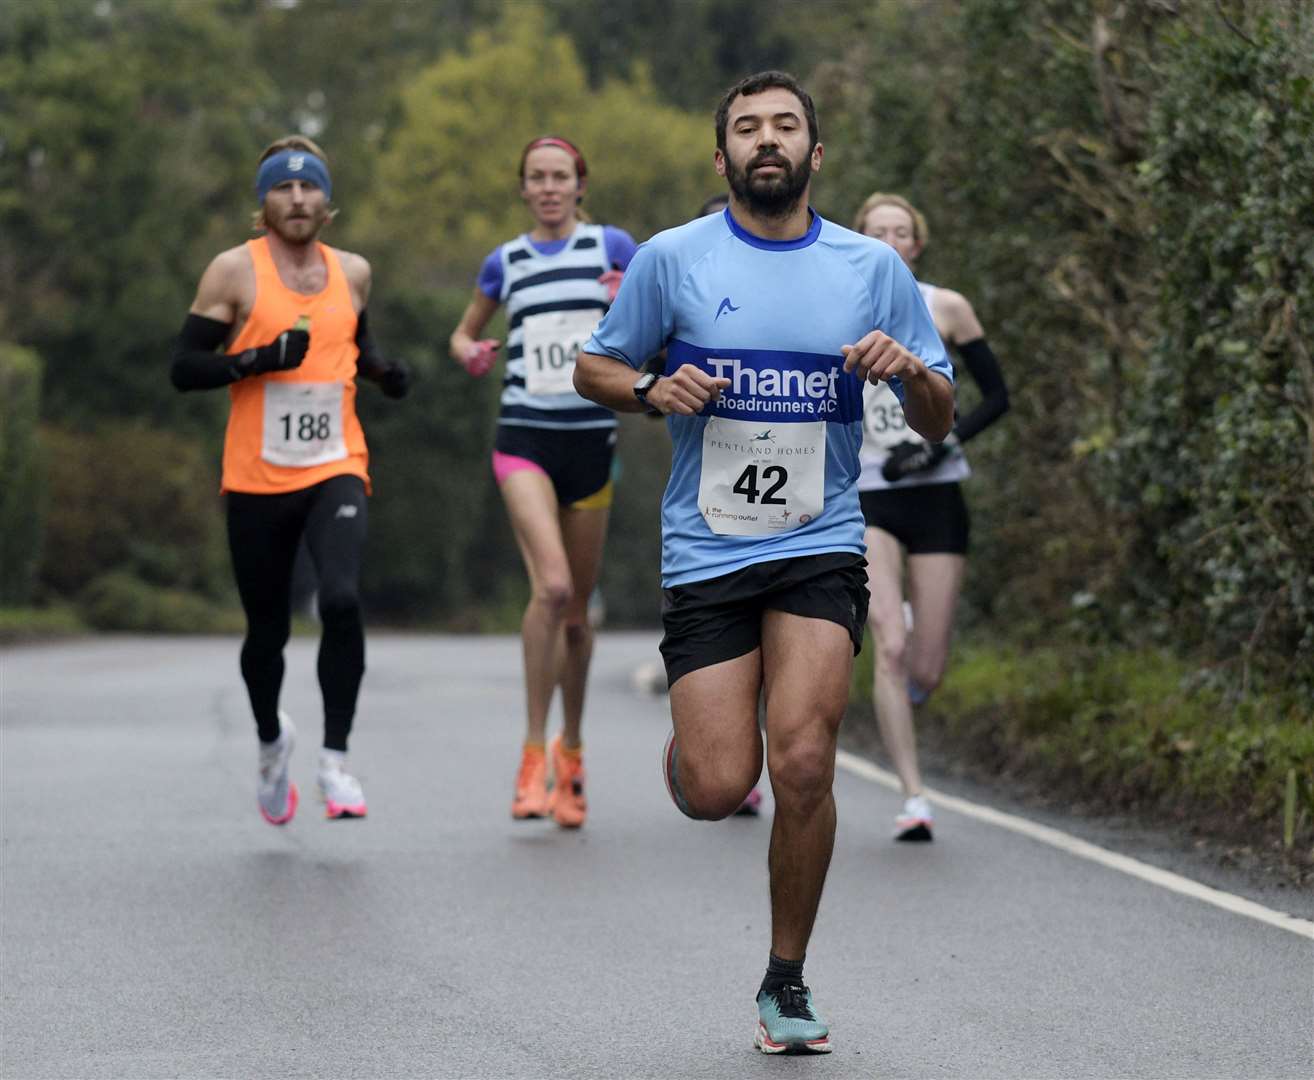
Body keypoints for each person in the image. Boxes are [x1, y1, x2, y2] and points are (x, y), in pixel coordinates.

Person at [575, 72, 953, 1054]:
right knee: (716, 785)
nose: (768, 140)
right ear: (723, 156)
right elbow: (595, 366)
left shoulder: (871, 268)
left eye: (786, 125)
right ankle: (692, 757)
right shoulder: (671, 259)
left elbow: (941, 407)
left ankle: (786, 978)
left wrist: (908, 369)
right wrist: (655, 388)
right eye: (748, 128)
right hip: (707, 549)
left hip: (819, 541)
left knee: (803, 760)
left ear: (816, 153)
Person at [170, 136, 411, 824]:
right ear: (264, 201)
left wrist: (386, 373)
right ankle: (273, 745)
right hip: (256, 477)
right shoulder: (233, 273)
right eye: (283, 188)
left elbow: (353, 348)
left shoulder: (353, 272)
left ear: (327, 203)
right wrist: (255, 360)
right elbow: (184, 367)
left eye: (310, 189)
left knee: (340, 598)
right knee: (266, 631)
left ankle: (335, 760)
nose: (298, 200)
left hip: (337, 463)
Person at [449, 136, 637, 828]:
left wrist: (629, 301)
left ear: (579, 186)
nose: (550, 187)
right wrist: (471, 350)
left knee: (579, 618)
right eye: (537, 177)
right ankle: (533, 752)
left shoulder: (613, 247)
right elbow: (462, 333)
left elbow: (662, 321)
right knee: (551, 588)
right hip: (523, 437)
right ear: (523, 188)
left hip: (592, 442)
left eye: (561, 177)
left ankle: (574, 751)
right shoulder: (507, 260)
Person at [853, 193, 1010, 842]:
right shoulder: (841, 306)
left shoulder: (947, 307)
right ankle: (913, 796)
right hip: (865, 495)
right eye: (876, 232)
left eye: (901, 232)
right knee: (888, 647)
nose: (890, 241)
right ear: (860, 242)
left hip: (937, 494)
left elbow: (997, 396)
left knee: (926, 669)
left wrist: (938, 444)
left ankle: (914, 655)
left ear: (917, 244)